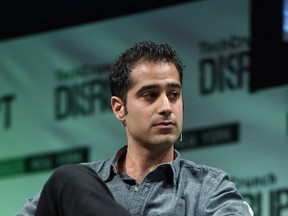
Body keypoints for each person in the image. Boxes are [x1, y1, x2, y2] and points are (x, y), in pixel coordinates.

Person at [15, 41, 253, 215]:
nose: (166, 107)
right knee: (67, 179)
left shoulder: (208, 187)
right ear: (119, 108)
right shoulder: (82, 187)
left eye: (174, 95)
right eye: (150, 95)